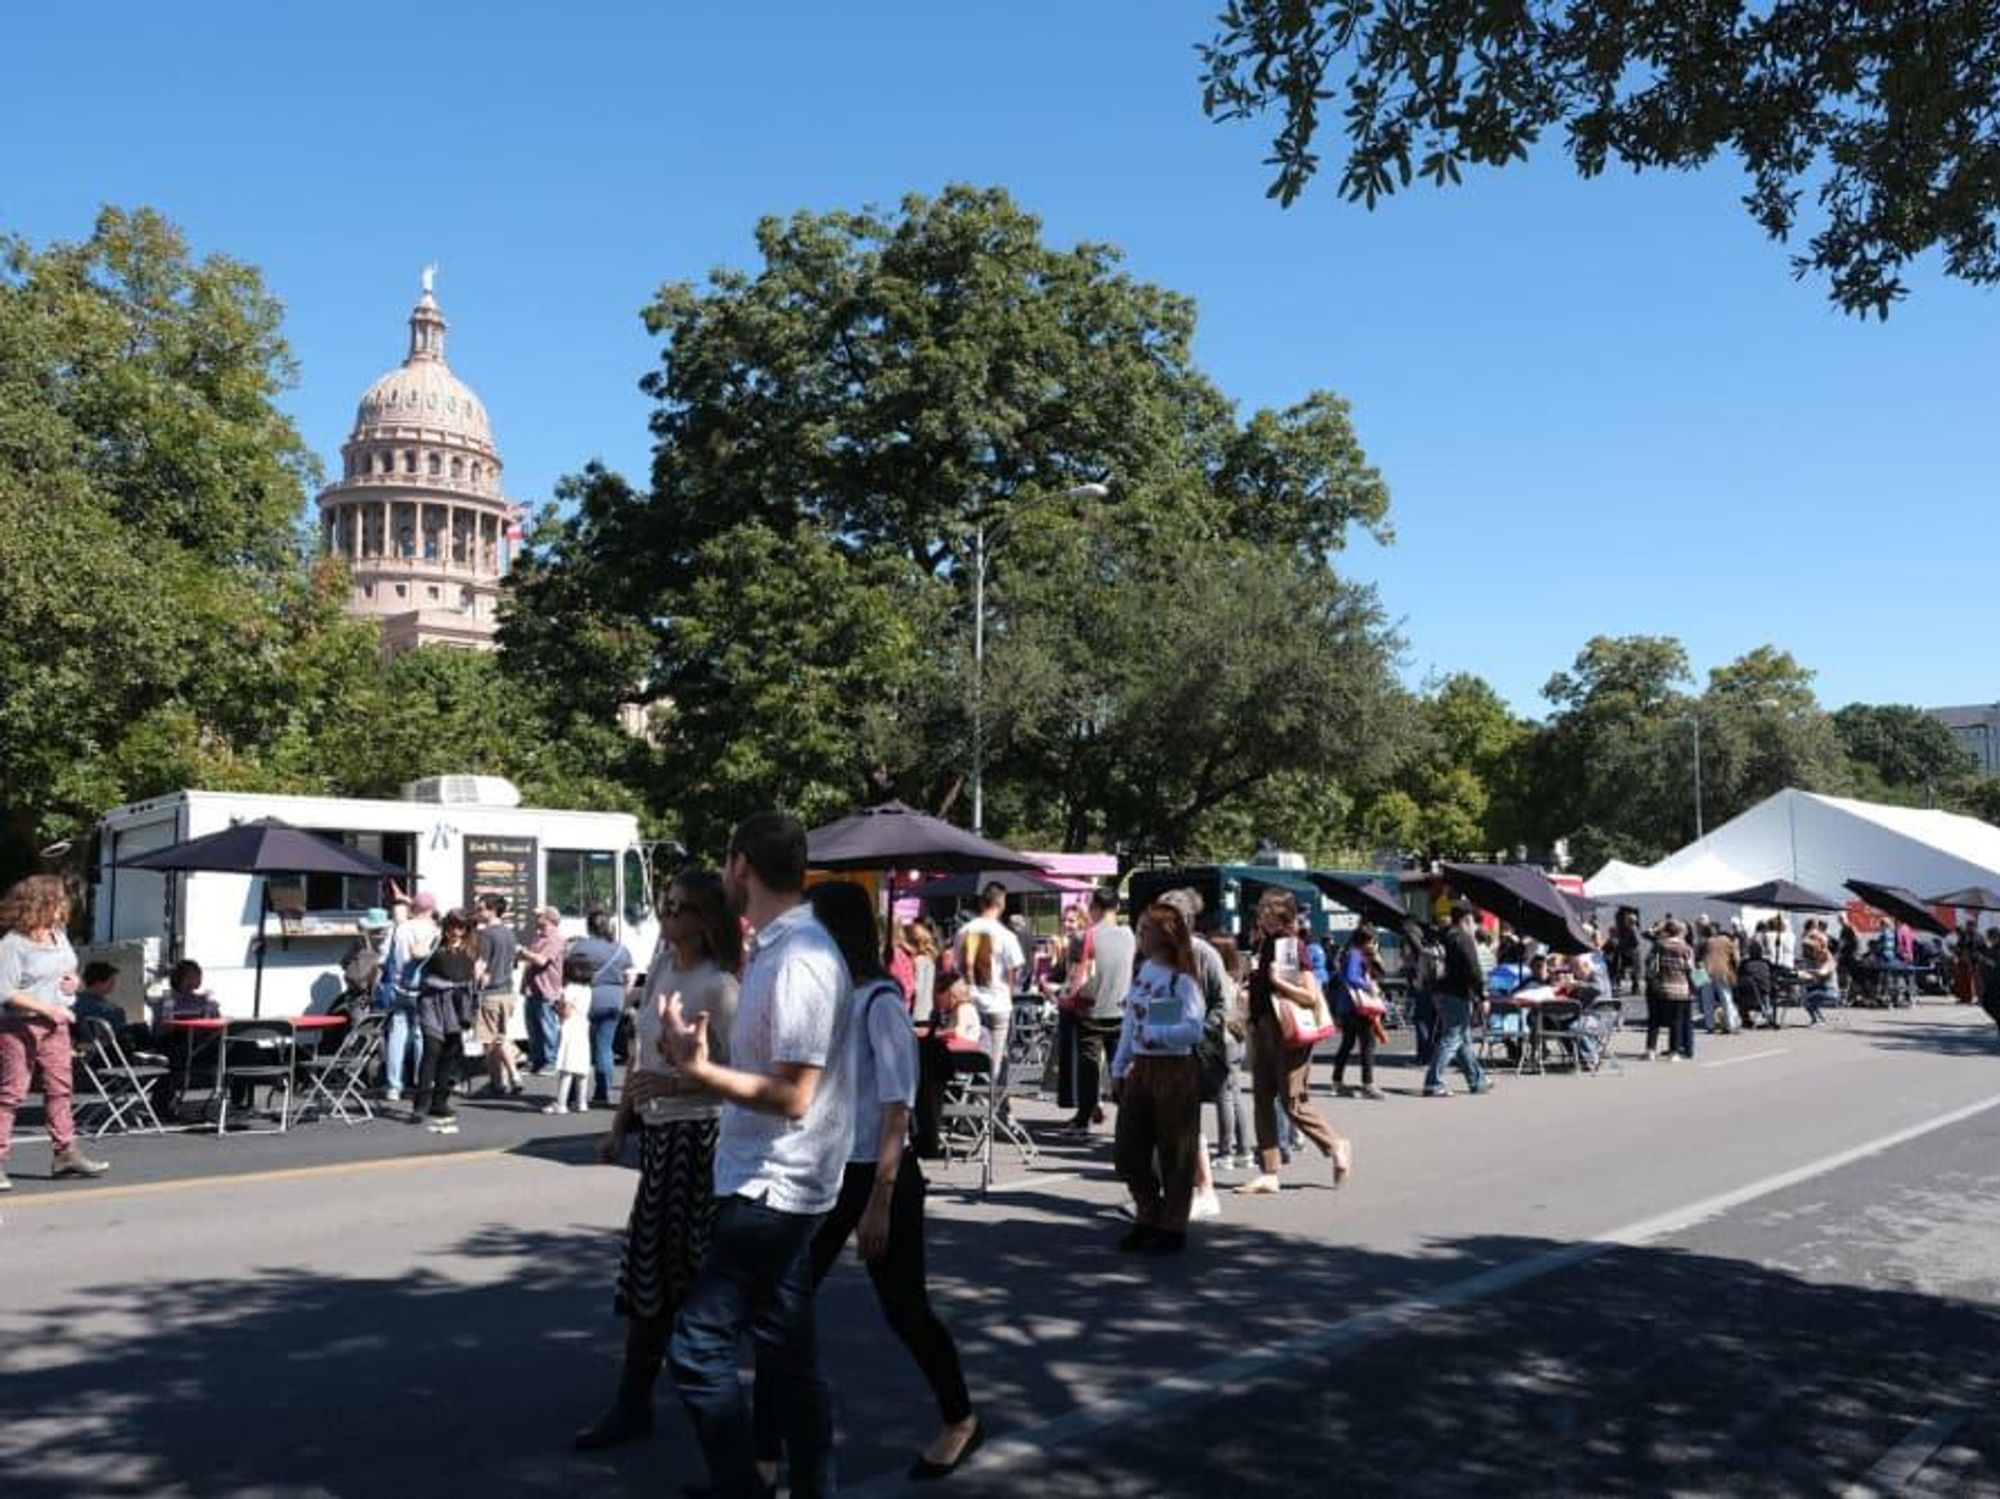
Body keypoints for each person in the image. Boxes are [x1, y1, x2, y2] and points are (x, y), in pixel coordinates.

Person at [753, 881, 980, 1481]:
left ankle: (960, 1418)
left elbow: (897, 1109)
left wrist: (880, 1198)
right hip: (825, 1169)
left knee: (905, 1308)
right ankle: (763, 1459)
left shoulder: (880, 1002)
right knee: (781, 1305)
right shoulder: (828, 995)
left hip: (879, 1173)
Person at [659, 812, 855, 1499]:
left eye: (724, 862)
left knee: (696, 1347)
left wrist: (701, 1071)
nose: (720, 874)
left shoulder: (801, 957)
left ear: (741, 864)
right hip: (767, 1179)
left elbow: (795, 1094)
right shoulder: (775, 949)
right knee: (789, 1357)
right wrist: (694, 1064)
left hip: (774, 1187)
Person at [576, 869, 743, 1452]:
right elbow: (641, 1059)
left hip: (701, 1141)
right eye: (665, 905)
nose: (666, 916)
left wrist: (678, 1086)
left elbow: (741, 1079)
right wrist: (619, 1126)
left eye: (678, 908)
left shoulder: (721, 987)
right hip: (659, 1138)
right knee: (650, 1275)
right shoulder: (664, 971)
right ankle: (637, 1402)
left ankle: (704, 1411)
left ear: (706, 920)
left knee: (686, 1279)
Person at [1236, 888, 1350, 1195]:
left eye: (1266, 908)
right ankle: (1269, 1172)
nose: (1260, 912)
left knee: (1292, 1101)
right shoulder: (1266, 942)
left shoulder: (1288, 944)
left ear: (1280, 913)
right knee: (1262, 1098)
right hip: (1263, 1028)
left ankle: (1335, 1144)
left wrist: (1276, 981)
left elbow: (1309, 995)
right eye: (1260, 907)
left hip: (1286, 1032)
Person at [1110, 901, 1208, 1253]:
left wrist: (1157, 1035)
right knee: (1128, 1150)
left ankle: (1172, 1225)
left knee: (1175, 1152)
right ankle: (1148, 1212)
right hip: (1142, 1067)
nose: (1139, 936)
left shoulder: (1182, 979)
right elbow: (1131, 1023)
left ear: (1165, 935)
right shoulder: (1145, 970)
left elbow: (1192, 1029)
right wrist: (1118, 1066)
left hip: (1175, 1069)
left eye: (1145, 930)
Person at [0, 875, 109, 1190]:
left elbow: (67, 970)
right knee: (11, 1093)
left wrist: (75, 982)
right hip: (20, 1025)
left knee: (60, 1088)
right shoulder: (13, 944)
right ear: (40, 903)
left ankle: (65, 1154)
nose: (64, 905)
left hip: (56, 1023)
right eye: (59, 900)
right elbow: (5, 992)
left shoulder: (58, 935)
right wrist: (48, 1010)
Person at [1064, 887, 1134, 1133]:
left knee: (1088, 1067)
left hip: (1090, 1010)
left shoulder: (1082, 937)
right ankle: (1128, 1119)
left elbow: (1073, 975)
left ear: (1093, 908)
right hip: (1122, 1010)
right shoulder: (1130, 936)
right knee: (1121, 1066)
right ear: (1117, 907)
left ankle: (1084, 1117)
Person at [411, 909, 479, 1133]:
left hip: (456, 1004)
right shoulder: (436, 944)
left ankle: (439, 1103)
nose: (456, 931)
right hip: (432, 1001)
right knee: (431, 1051)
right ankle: (420, 1105)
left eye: (461, 927)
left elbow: (474, 976)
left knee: (450, 1052)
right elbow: (415, 952)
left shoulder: (471, 949)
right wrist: (434, 935)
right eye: (452, 926)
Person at [952, 882, 1023, 1083]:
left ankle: (971, 1094)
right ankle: (988, 1096)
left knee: (970, 1056)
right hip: (998, 1002)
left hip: (969, 1001)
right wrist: (1009, 993)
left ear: (982, 903)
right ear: (1002, 904)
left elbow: (956, 966)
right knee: (995, 1058)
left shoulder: (963, 931)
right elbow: (1014, 970)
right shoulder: (1007, 935)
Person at [1423, 904, 1495, 1099]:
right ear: (1467, 919)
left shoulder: (1442, 935)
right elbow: (1474, 969)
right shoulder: (1464, 938)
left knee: (1462, 1039)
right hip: (1457, 993)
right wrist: (1482, 996)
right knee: (1452, 1037)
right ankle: (1433, 1083)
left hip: (1439, 990)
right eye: (1474, 922)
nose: (1475, 927)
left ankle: (1477, 1080)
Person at [570, 908, 634, 1109]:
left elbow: (570, 973)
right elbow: (630, 976)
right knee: (605, 1046)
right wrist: (623, 994)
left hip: (587, 998)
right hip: (614, 999)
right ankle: (602, 1092)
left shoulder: (580, 947)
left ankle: (574, 1092)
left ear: (589, 926)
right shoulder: (620, 949)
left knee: (581, 1046)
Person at [382, 893, 439, 1101]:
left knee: (396, 1035)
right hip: (423, 989)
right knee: (420, 1035)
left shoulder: (401, 928)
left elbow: (388, 957)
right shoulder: (434, 931)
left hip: (398, 986)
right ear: (431, 909)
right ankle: (421, 1081)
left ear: (414, 907)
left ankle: (393, 1086)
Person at [472, 896, 523, 1099]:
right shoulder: (510, 934)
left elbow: (481, 964)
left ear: (492, 910)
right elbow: (513, 962)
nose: (477, 912)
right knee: (501, 1036)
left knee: (489, 1041)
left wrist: (473, 981)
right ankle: (514, 1076)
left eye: (480, 909)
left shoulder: (486, 934)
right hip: (507, 991)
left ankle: (498, 1082)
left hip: (490, 992)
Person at [1332, 927, 1386, 1100]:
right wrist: (1367, 986)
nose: (1373, 945)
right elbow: (1351, 977)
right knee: (1368, 1044)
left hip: (1348, 1007)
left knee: (1347, 1044)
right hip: (1358, 1008)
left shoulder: (1350, 953)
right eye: (1372, 941)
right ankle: (1367, 1084)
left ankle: (1337, 1081)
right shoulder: (1355, 955)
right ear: (1366, 941)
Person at [517, 905, 566, 1077]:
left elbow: (541, 960)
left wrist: (523, 952)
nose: (536, 919)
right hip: (532, 990)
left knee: (547, 1028)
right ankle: (537, 1062)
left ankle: (550, 1062)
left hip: (547, 990)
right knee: (533, 1029)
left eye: (539, 916)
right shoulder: (539, 937)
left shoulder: (555, 939)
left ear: (549, 919)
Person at [547, 952, 596, 1115]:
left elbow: (566, 1012)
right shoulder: (587, 989)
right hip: (583, 1025)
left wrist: (557, 1008)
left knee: (566, 1065)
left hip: (570, 1027)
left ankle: (561, 1103)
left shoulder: (569, 989)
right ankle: (582, 1102)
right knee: (581, 1065)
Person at [1646, 919, 1697, 1060]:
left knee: (1655, 1019)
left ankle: (1651, 1050)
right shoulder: (1686, 948)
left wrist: (1654, 983)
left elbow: (1653, 967)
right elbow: (1691, 969)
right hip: (1681, 989)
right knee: (1676, 1021)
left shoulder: (1659, 946)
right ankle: (1674, 1052)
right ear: (1680, 932)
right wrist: (1699, 984)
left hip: (1662, 987)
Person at [1796, 928, 1838, 1025]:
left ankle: (1818, 1020)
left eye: (1811, 949)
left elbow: (1823, 972)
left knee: (1808, 999)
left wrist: (1808, 972)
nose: (1809, 952)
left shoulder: (1829, 960)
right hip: (1821, 988)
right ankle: (1819, 1019)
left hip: (1830, 991)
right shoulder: (1816, 960)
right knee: (1807, 997)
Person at [905, 922, 940, 1024]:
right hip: (929, 1012)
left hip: (917, 1014)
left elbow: (917, 988)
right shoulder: (931, 960)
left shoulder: (919, 961)